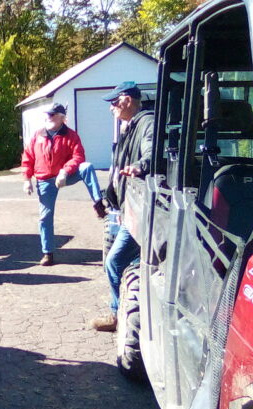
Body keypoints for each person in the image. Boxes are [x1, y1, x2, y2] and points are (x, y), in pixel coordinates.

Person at [91, 82, 154, 332]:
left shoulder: (146, 123)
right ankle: (131, 313)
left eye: (114, 102)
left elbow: (150, 152)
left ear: (127, 100)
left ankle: (119, 316)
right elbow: (118, 167)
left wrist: (141, 165)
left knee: (115, 262)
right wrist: (108, 201)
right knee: (124, 262)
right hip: (126, 208)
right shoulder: (130, 126)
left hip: (141, 210)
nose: (112, 109)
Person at [21, 103, 106, 266]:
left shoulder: (71, 135)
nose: (49, 117)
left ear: (61, 118)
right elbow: (28, 158)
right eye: (47, 114)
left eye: (52, 115)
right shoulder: (38, 135)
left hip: (65, 175)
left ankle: (98, 203)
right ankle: (48, 254)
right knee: (45, 217)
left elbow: (78, 157)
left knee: (87, 167)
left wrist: (65, 172)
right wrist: (27, 180)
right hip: (45, 179)